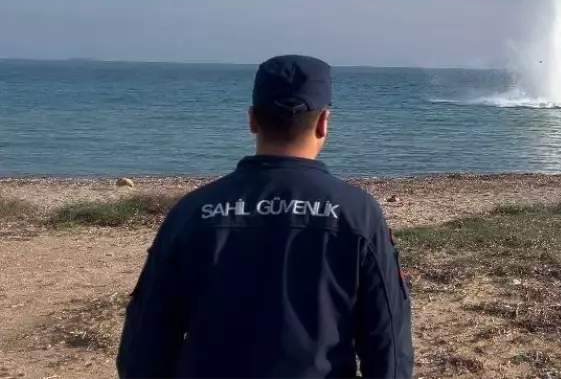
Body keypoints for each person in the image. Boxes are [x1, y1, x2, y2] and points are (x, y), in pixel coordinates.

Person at [117, 55, 413, 379]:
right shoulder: (358, 212)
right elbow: (387, 343)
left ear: (252, 120)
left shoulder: (192, 211)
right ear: (323, 122)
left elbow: (144, 346)